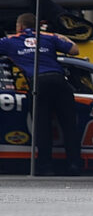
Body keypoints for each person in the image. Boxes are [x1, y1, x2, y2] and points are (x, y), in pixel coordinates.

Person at [4, 12, 86, 174]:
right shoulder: (49, 37)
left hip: (38, 84)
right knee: (69, 125)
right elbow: (75, 50)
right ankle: (75, 165)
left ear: (19, 27)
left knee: (42, 128)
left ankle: (45, 167)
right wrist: (59, 35)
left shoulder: (10, 41)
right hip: (59, 82)